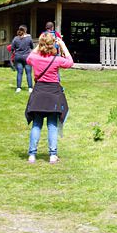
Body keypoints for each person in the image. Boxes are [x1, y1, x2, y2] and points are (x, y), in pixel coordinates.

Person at [25, 33, 73, 163]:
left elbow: (28, 58)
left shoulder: (35, 58)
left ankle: (32, 155)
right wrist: (63, 45)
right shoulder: (56, 60)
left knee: (36, 124)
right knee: (52, 125)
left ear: (40, 44)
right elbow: (70, 62)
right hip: (53, 94)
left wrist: (40, 45)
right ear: (54, 45)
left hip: (39, 92)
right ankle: (52, 155)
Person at [11, 26, 34, 92]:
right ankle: (30, 88)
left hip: (18, 57)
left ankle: (18, 88)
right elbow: (32, 47)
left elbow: (12, 48)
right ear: (25, 31)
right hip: (27, 57)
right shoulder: (29, 38)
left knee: (19, 73)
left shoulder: (15, 38)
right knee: (28, 73)